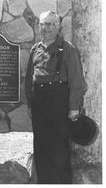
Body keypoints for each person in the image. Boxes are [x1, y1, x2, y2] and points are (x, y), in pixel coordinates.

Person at [25, 10, 87, 184]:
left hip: (58, 102)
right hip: (39, 103)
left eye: (51, 24)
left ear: (59, 26)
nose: (47, 28)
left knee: (59, 147)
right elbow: (29, 79)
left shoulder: (68, 48)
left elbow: (77, 81)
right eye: (44, 24)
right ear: (39, 26)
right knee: (41, 146)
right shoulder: (35, 49)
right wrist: (30, 105)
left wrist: (74, 108)